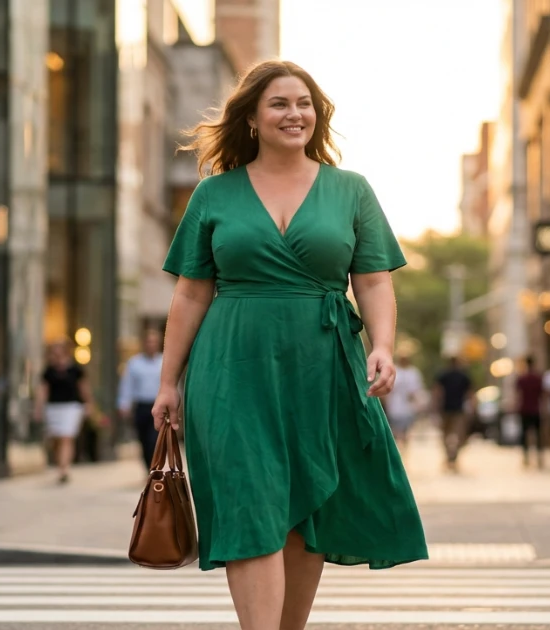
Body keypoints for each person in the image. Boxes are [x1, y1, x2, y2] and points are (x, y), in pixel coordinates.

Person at [151, 59, 427, 629]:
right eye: (279, 104)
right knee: (250, 504)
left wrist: (382, 346)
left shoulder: (351, 190)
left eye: (304, 103)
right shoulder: (214, 194)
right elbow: (191, 296)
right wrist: (168, 381)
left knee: (305, 507)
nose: (293, 114)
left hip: (322, 364)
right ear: (251, 118)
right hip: (230, 368)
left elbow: (373, 280)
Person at [33, 340, 96, 484]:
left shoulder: (75, 370)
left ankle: (64, 469)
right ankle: (60, 464)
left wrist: (89, 404)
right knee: (56, 439)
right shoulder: (49, 371)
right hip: (53, 407)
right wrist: (38, 408)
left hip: (71, 407)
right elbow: (43, 391)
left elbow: (83, 388)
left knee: (67, 437)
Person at [118, 329, 164, 468]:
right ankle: (148, 468)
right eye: (149, 341)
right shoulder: (134, 363)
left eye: (154, 342)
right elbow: (127, 384)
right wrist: (123, 403)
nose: (151, 345)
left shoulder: (164, 361)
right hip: (142, 406)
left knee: (154, 440)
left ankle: (155, 468)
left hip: (159, 405)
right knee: (143, 440)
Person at [433, 356, 472, 473]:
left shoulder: (445, 375)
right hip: (456, 410)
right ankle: (452, 456)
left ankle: (451, 456)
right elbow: (470, 394)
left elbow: (437, 392)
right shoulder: (462, 376)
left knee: (447, 435)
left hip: (449, 409)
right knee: (458, 436)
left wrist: (435, 406)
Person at [381, 354, 425, 450]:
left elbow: (416, 390)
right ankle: (395, 449)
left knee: (406, 430)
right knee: (394, 430)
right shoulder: (393, 370)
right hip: (394, 406)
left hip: (408, 407)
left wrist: (418, 404)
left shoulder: (413, 373)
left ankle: (404, 449)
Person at [516, 356, 545, 468]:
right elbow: (543, 395)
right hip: (536, 409)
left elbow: (518, 395)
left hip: (524, 409)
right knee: (537, 434)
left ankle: (526, 457)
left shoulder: (522, 379)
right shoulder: (538, 378)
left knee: (524, 434)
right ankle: (539, 457)